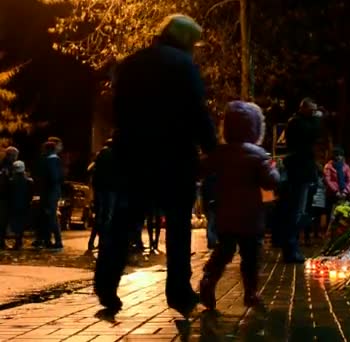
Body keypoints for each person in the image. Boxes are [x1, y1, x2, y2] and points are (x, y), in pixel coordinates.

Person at [94, 14, 217, 318]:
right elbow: (196, 111)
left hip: (133, 153)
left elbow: (116, 108)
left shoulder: (131, 63)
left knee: (124, 221)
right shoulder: (183, 65)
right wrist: (213, 149)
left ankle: (106, 284)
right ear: (188, 41)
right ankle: (179, 292)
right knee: (177, 226)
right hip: (174, 156)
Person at [199, 101, 279, 311]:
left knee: (224, 250)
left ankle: (209, 279)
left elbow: (200, 169)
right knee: (251, 255)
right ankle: (251, 292)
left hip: (225, 212)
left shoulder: (221, 153)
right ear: (255, 128)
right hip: (251, 216)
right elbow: (270, 182)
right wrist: (274, 171)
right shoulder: (259, 155)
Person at [282, 98, 322, 263]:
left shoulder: (299, 122)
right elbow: (313, 134)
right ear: (303, 109)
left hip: (302, 172)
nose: (314, 113)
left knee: (299, 211)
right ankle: (291, 249)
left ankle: (292, 247)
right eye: (311, 110)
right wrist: (317, 119)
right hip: (299, 172)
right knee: (296, 212)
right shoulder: (298, 124)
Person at [87, 138, 116, 252]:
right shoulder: (115, 155)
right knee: (108, 216)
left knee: (98, 216)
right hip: (111, 189)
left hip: (99, 188)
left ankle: (92, 241)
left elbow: (89, 169)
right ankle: (103, 241)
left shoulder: (99, 155)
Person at [38, 140, 64, 250]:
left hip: (50, 192)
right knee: (49, 216)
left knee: (51, 216)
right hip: (52, 191)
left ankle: (57, 240)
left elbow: (53, 177)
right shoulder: (54, 160)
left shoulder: (51, 160)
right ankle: (48, 239)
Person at [8, 160, 34, 250]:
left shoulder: (11, 181)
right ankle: (19, 239)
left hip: (13, 205)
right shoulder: (29, 181)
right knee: (21, 223)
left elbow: (8, 194)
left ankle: (18, 239)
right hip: (25, 205)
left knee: (15, 223)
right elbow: (30, 194)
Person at [323, 146, 350, 213]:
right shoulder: (328, 166)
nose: (339, 157)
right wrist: (336, 191)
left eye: (340, 155)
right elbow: (328, 180)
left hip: (344, 193)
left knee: (343, 212)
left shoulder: (346, 166)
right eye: (337, 155)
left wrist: (346, 191)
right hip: (332, 194)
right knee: (330, 212)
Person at [0, 146, 19, 250]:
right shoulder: (9, 166)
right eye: (15, 155)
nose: (16, 158)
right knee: (3, 220)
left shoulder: (3, 164)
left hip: (4, 196)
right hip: (5, 196)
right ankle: (1, 242)